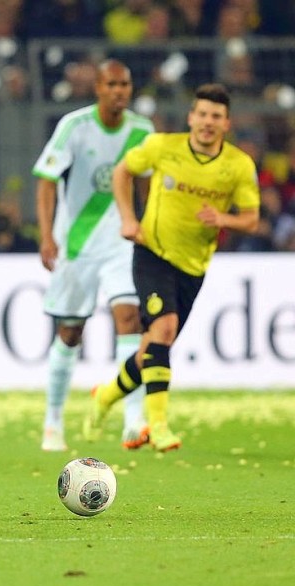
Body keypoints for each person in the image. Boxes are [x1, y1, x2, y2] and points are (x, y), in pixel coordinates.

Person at [85, 83, 260, 452]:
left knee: (152, 346)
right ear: (191, 117)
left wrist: (223, 219)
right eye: (202, 114)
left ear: (226, 123)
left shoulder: (238, 166)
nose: (208, 122)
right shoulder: (162, 147)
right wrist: (129, 219)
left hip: (193, 266)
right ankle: (158, 426)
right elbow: (121, 172)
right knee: (163, 329)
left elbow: (251, 219)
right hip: (153, 252)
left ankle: (104, 396)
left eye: (216, 116)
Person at [31, 59, 155, 452]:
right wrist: (47, 235)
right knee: (70, 332)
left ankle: (133, 420)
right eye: (112, 84)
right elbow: (47, 181)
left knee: (129, 317)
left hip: (122, 240)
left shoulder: (142, 130)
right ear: (99, 88)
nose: (120, 91)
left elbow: (148, 187)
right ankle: (53, 420)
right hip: (77, 243)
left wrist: (149, 231)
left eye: (125, 84)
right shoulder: (74, 126)